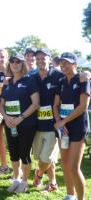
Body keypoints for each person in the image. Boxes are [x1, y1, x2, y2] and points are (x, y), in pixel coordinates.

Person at [0, 52, 39, 193]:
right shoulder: (7, 83)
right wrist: (6, 117)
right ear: (9, 64)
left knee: (24, 154)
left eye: (18, 62)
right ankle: (16, 178)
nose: (15, 64)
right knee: (14, 153)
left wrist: (20, 118)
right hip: (10, 124)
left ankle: (24, 181)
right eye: (12, 61)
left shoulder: (29, 80)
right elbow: (0, 105)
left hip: (26, 124)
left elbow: (35, 103)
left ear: (23, 64)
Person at [53, 52, 90, 200]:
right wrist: (59, 124)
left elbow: (83, 106)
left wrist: (63, 122)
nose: (63, 65)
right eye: (61, 63)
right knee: (66, 164)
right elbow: (56, 105)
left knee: (74, 167)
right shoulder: (61, 81)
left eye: (66, 63)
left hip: (77, 128)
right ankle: (70, 195)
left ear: (74, 64)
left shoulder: (83, 79)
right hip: (63, 129)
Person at [32, 48, 63, 192]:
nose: (40, 61)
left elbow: (72, 78)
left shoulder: (58, 76)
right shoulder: (33, 77)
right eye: (37, 59)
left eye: (43, 58)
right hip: (37, 125)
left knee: (47, 157)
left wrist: (86, 74)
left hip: (53, 125)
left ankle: (38, 174)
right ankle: (53, 183)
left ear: (49, 59)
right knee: (41, 157)